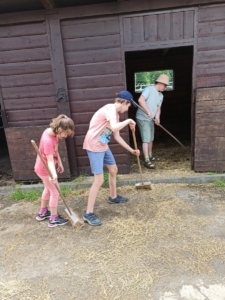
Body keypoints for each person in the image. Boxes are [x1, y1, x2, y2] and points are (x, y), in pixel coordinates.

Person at [83, 91, 140, 226]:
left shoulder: (115, 115)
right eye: (128, 107)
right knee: (99, 180)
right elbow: (114, 127)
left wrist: (131, 150)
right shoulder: (109, 109)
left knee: (113, 170)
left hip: (103, 144)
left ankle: (113, 197)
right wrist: (129, 121)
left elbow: (116, 136)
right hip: (94, 146)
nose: (127, 110)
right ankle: (88, 213)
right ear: (124, 102)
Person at [34, 114, 75, 228]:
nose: (66, 136)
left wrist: (60, 162)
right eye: (66, 133)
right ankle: (53, 219)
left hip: (42, 167)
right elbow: (50, 160)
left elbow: (55, 151)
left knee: (48, 189)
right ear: (60, 129)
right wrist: (53, 175)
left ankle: (42, 213)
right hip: (45, 169)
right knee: (55, 192)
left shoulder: (52, 132)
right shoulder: (48, 140)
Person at [136, 74, 169, 169]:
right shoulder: (149, 89)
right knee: (146, 139)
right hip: (143, 118)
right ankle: (146, 160)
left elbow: (158, 107)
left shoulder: (160, 95)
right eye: (165, 85)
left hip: (151, 119)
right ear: (160, 83)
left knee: (151, 139)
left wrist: (157, 117)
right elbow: (141, 100)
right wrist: (148, 111)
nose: (165, 87)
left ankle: (150, 155)